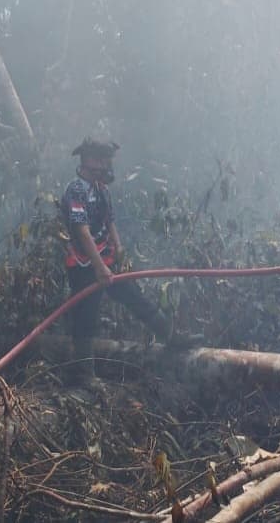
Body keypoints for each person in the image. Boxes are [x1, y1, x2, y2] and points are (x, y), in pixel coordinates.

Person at [60, 138, 186, 381]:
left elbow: (109, 222)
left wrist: (119, 250)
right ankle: (85, 376)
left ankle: (171, 336)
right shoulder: (76, 189)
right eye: (103, 160)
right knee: (86, 316)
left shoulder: (101, 189)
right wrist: (99, 267)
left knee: (134, 296)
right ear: (90, 161)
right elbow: (81, 230)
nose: (107, 165)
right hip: (84, 264)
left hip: (106, 260)